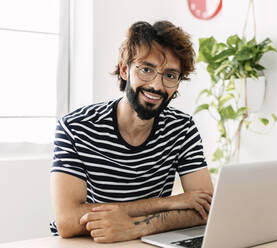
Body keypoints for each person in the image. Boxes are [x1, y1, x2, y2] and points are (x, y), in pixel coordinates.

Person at [50, 20, 213, 243]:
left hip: (144, 241)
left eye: (170, 75)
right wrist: (167, 203)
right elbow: (67, 221)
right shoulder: (75, 127)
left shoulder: (182, 129)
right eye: (146, 70)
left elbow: (205, 209)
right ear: (125, 70)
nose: (157, 85)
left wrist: (136, 227)